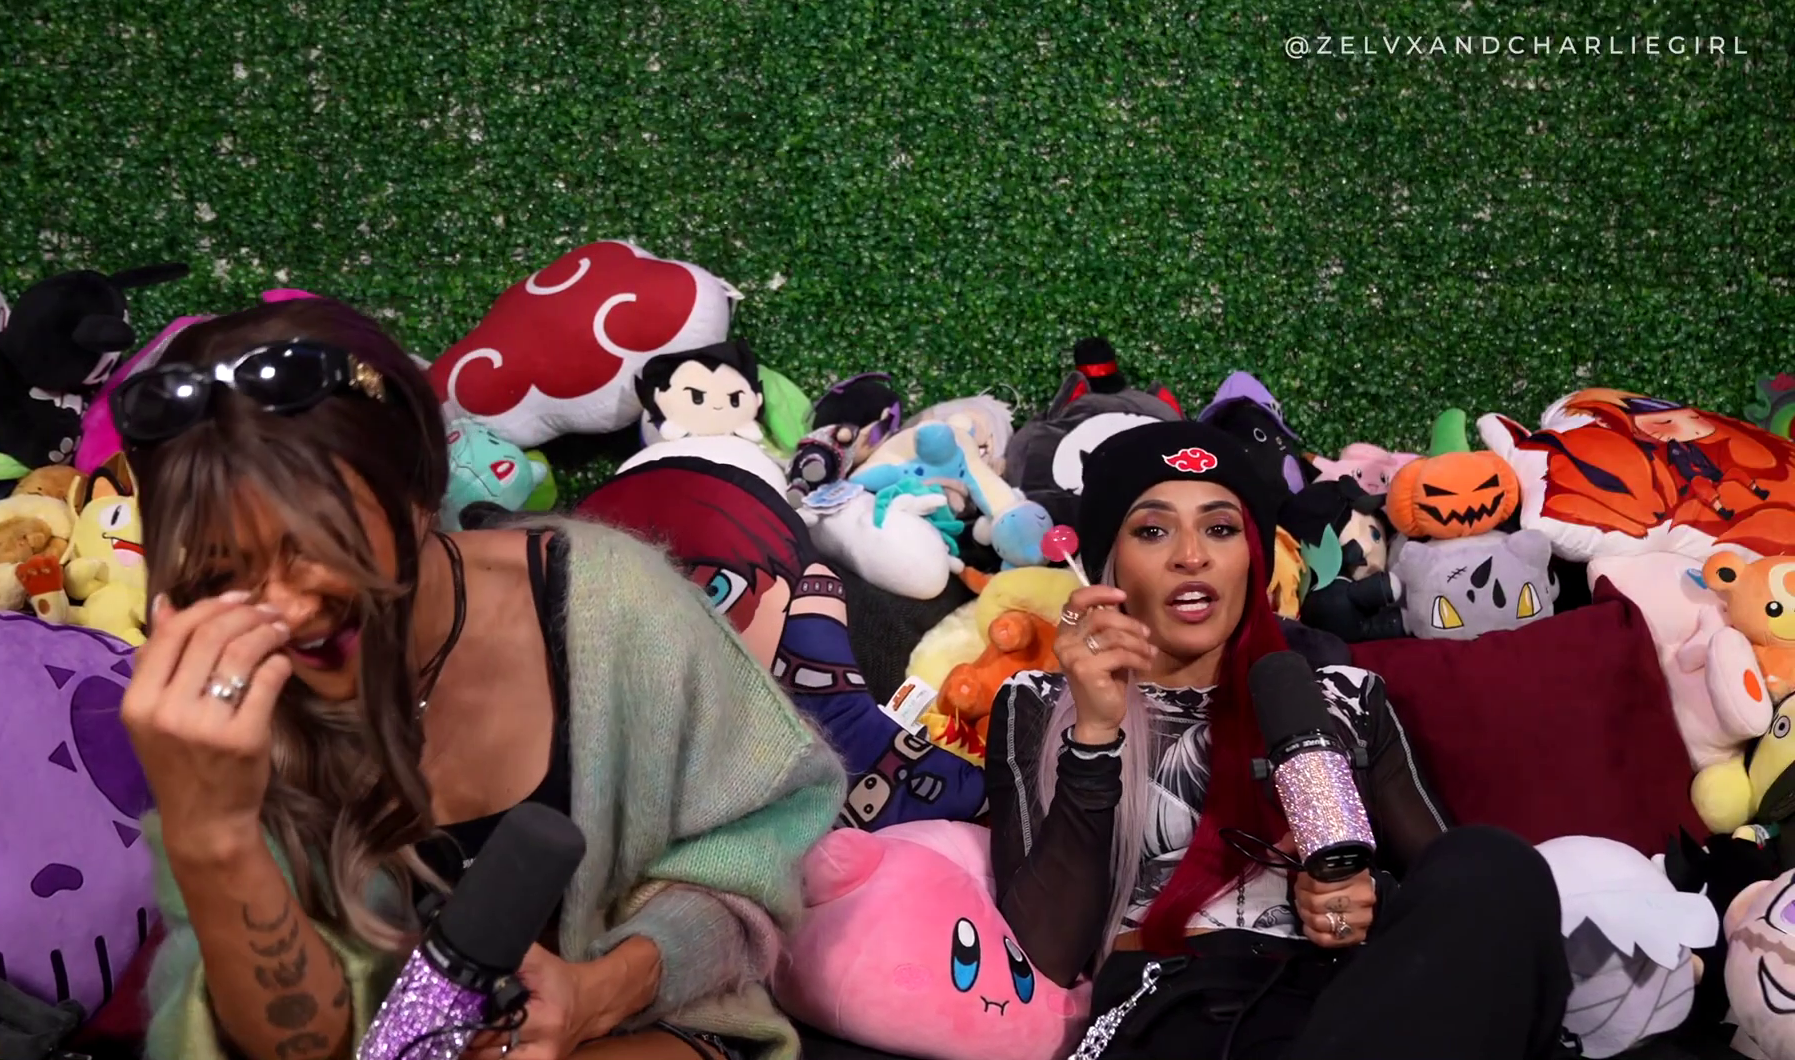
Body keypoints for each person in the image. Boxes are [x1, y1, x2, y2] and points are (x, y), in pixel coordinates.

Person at [112, 297, 846, 1060]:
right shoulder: (216, 708)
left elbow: (756, 841)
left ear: (418, 491)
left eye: (317, 546)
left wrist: (600, 992)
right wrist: (212, 833)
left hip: (642, 1021)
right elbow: (305, 1046)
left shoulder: (613, 607)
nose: (287, 610)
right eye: (221, 575)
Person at [987, 421, 1572, 1059]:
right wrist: (1097, 736)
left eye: (1220, 528)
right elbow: (1044, 954)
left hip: (1345, 1010)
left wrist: (1365, 900)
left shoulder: (1343, 698)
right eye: (1153, 531)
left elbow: (1454, 896)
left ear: (1254, 558)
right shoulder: (1041, 705)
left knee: (1496, 865)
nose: (1191, 555)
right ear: (1109, 565)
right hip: (1173, 1015)